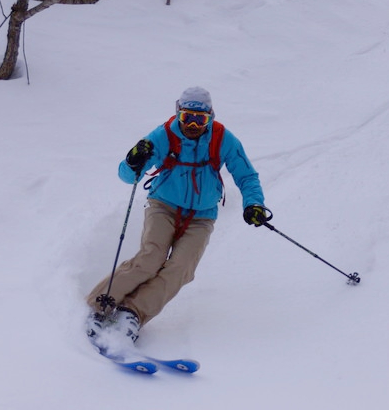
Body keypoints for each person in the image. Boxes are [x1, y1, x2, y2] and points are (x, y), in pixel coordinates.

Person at [86, 86, 269, 345]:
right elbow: (128, 177)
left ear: (210, 117)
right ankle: (98, 305)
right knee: (151, 258)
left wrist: (254, 204)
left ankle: (132, 313)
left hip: (202, 215)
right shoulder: (163, 135)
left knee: (182, 268)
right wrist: (133, 161)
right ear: (178, 114)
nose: (193, 124)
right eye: (187, 118)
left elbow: (246, 175)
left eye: (200, 119)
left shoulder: (222, 139)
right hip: (164, 205)